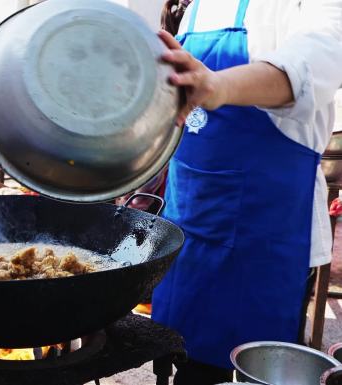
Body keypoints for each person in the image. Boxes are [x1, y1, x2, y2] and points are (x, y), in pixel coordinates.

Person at [150, 0, 342, 384]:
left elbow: (315, 59)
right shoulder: (197, 8)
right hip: (187, 234)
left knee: (243, 371)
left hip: (259, 252)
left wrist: (219, 85)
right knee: (183, 361)